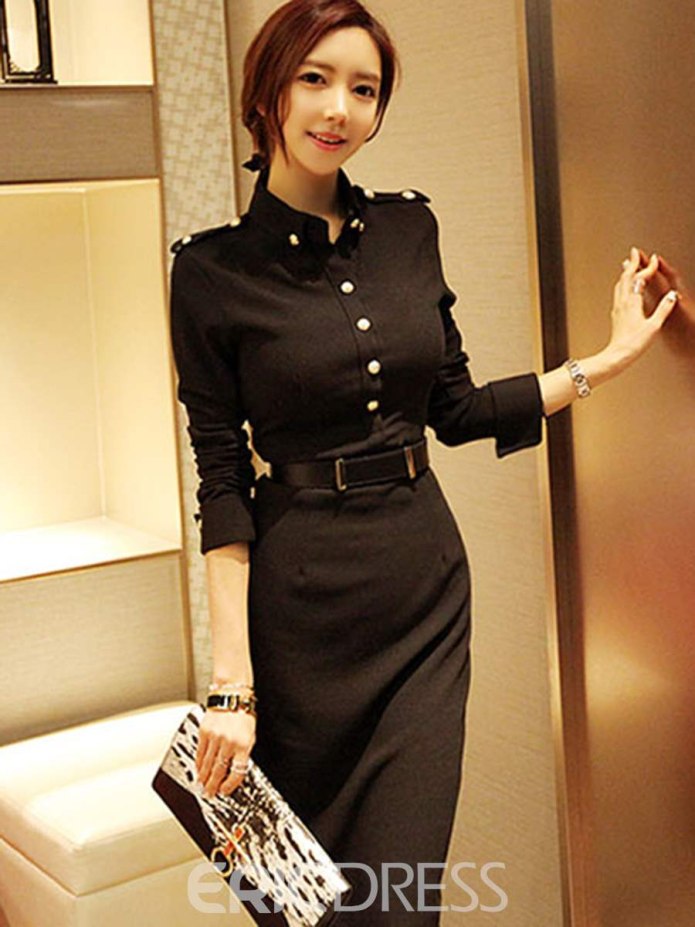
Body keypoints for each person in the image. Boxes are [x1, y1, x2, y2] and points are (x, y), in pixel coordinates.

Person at [167, 0, 679, 922]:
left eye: (364, 89)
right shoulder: (209, 272)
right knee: (303, 900)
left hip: (421, 601)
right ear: (268, 92)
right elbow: (221, 479)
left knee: (402, 901)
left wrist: (602, 362)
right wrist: (231, 686)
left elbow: (456, 409)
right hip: (299, 617)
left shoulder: (410, 229)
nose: (339, 108)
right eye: (315, 79)